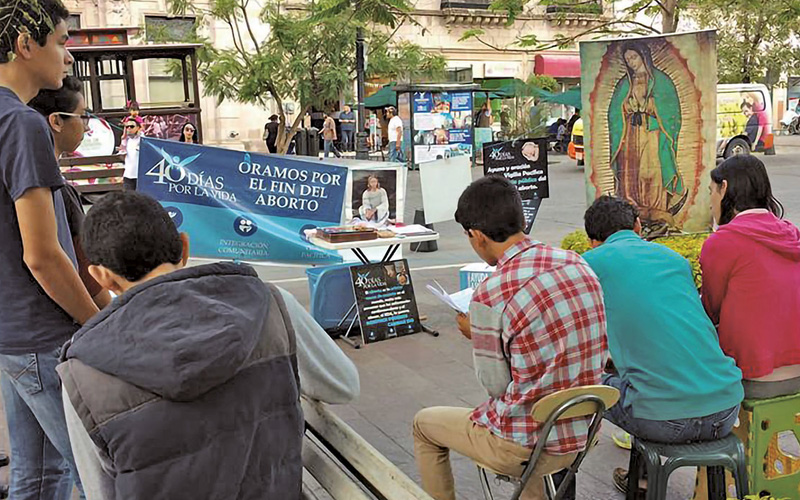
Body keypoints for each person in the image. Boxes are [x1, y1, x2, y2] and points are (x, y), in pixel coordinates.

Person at [57, 191, 360, 500]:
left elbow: (100, 491)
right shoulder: (270, 304)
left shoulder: (82, 373)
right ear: (184, 246)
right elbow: (344, 385)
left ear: (101, 277)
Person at [413, 176, 608, 500]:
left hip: (526, 444)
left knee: (424, 425)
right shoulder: (577, 263)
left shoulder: (491, 293)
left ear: (477, 236)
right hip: (583, 430)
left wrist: (478, 335)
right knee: (529, 407)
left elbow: (495, 385)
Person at [581, 196, 743, 494]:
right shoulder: (675, 260)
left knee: (597, 384)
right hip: (725, 409)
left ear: (593, 241)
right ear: (638, 226)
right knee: (642, 379)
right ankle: (642, 478)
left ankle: (640, 482)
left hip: (662, 420)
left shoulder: (588, 265)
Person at [0, 1, 96, 498]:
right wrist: (97, 322)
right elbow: (42, 254)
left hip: (12, 334)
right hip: (43, 334)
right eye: (61, 41)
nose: (68, 55)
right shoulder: (21, 124)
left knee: (37, 477)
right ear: (25, 44)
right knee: (98, 474)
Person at [701, 155, 800, 399]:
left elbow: (710, 311)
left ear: (724, 188)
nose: (710, 203)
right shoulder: (791, 233)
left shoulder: (723, 243)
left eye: (711, 192)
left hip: (754, 377)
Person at [29, 76, 113, 311]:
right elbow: (88, 277)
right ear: (56, 121)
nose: (87, 126)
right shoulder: (59, 191)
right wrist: (102, 320)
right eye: (83, 116)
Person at [608, 42, 686, 227]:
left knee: (651, 171)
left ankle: (655, 209)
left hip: (653, 134)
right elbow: (613, 112)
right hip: (630, 134)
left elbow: (672, 110)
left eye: (634, 57)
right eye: (628, 60)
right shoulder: (624, 83)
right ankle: (632, 208)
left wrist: (650, 106)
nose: (631, 62)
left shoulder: (661, 81)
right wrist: (626, 107)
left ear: (643, 56)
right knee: (630, 171)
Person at [120, 115, 143, 190]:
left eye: (132, 126)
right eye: (127, 127)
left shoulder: (142, 139)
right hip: (128, 175)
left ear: (138, 128)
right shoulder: (127, 140)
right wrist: (123, 138)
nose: (129, 128)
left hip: (140, 176)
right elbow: (122, 154)